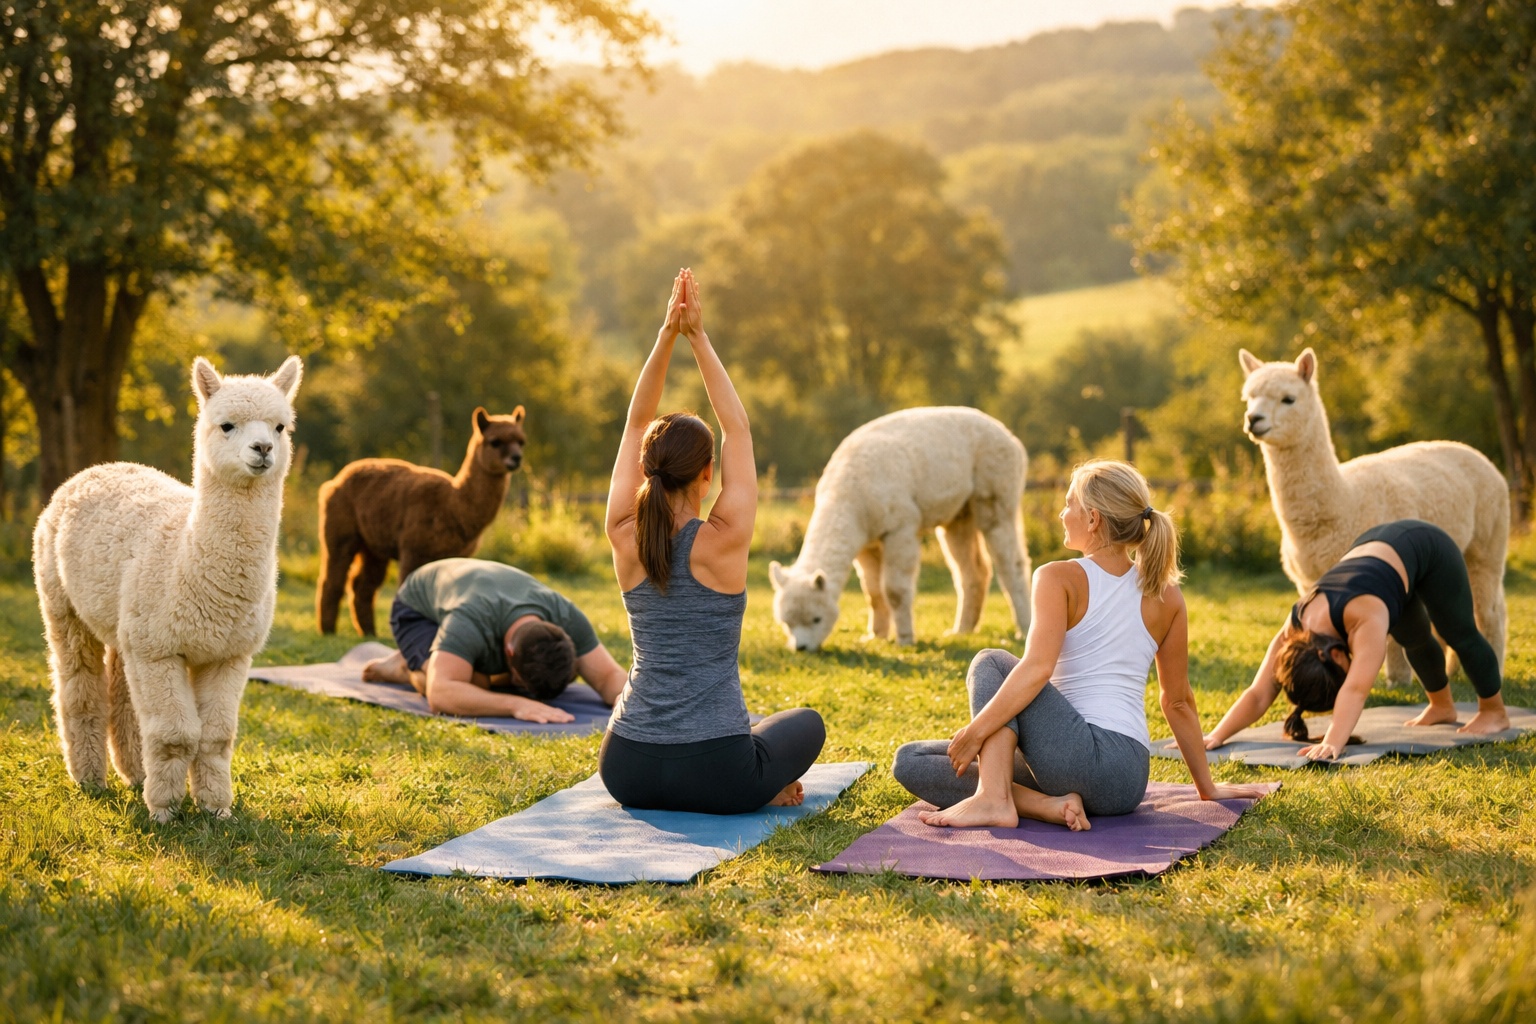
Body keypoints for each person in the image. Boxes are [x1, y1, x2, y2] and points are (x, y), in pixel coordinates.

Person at [893, 459, 1270, 830]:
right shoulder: (1168, 596)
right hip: (1126, 781)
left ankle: (993, 797)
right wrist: (1208, 788)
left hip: (1074, 756)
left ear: (1092, 519)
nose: (1061, 513)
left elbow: (1037, 668)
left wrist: (977, 732)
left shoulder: (1058, 577)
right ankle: (1046, 806)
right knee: (912, 759)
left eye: (1069, 503)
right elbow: (1177, 701)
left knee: (991, 661)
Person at [597, 268, 825, 814]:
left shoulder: (623, 534)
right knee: (806, 723)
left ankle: (758, 778)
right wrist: (697, 336)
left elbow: (634, 426)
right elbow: (738, 428)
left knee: (772, 729)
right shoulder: (724, 540)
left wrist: (664, 336)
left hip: (626, 767)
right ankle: (764, 786)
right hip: (718, 774)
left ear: (647, 471)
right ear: (708, 475)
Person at [1205, 519, 1510, 761]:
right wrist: (1217, 735)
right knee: (1413, 638)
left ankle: (1494, 711)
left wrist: (1331, 742)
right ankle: (1443, 708)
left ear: (1337, 656)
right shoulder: (1296, 625)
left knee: (1458, 632)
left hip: (1428, 546)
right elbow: (1259, 693)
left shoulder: (1364, 617)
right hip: (1380, 556)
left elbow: (1355, 690)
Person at [360, 557, 628, 722]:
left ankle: (457, 664)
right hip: (418, 608)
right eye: (519, 683)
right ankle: (405, 668)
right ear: (508, 653)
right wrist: (515, 704)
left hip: (479, 593)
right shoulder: (469, 621)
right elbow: (441, 693)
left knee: (481, 682)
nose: (520, 690)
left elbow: (607, 677)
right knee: (460, 682)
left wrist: (625, 699)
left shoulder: (567, 617)